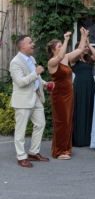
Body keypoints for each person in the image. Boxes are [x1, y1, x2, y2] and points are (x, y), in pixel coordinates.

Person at [10, 35, 53, 168]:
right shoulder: (15, 62)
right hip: (23, 100)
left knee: (40, 124)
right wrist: (36, 73)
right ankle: (21, 157)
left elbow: (36, 78)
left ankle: (34, 152)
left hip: (36, 97)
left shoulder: (31, 58)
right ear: (22, 46)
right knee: (20, 130)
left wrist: (45, 84)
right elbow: (21, 82)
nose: (33, 44)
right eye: (30, 42)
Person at [47, 28, 88, 160]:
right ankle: (59, 151)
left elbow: (80, 49)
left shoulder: (66, 58)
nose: (62, 47)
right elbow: (59, 57)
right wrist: (65, 39)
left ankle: (66, 148)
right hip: (59, 95)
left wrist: (83, 36)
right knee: (61, 122)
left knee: (68, 122)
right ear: (54, 50)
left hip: (69, 93)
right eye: (59, 46)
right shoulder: (52, 62)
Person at [70, 36, 95, 147]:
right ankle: (79, 138)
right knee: (80, 109)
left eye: (86, 47)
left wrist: (89, 44)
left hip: (91, 85)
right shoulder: (74, 60)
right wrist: (82, 45)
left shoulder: (89, 59)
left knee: (90, 109)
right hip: (80, 86)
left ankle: (89, 138)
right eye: (84, 47)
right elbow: (77, 54)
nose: (86, 48)